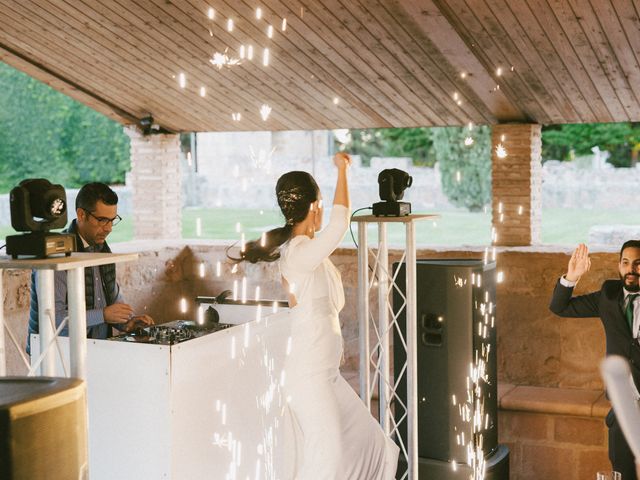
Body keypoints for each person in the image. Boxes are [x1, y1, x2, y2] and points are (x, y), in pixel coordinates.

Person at [235, 153, 399, 479]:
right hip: (308, 378)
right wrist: (342, 169)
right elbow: (340, 224)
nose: (323, 208)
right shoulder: (298, 255)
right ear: (314, 206)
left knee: (374, 445)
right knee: (327, 462)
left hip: (327, 375)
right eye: (321, 201)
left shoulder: (311, 254)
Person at [27, 182, 153, 354]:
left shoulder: (103, 250)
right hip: (56, 357)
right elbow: (54, 319)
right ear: (81, 215)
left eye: (112, 220)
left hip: (95, 352)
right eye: (102, 220)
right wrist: (103, 315)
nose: (108, 228)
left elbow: (112, 301)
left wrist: (126, 323)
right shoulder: (57, 255)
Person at [549, 241, 640, 480]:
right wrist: (572, 276)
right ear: (619, 266)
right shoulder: (609, 296)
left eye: (639, 263)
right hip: (623, 408)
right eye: (626, 263)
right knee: (622, 472)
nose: (631, 269)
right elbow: (560, 307)